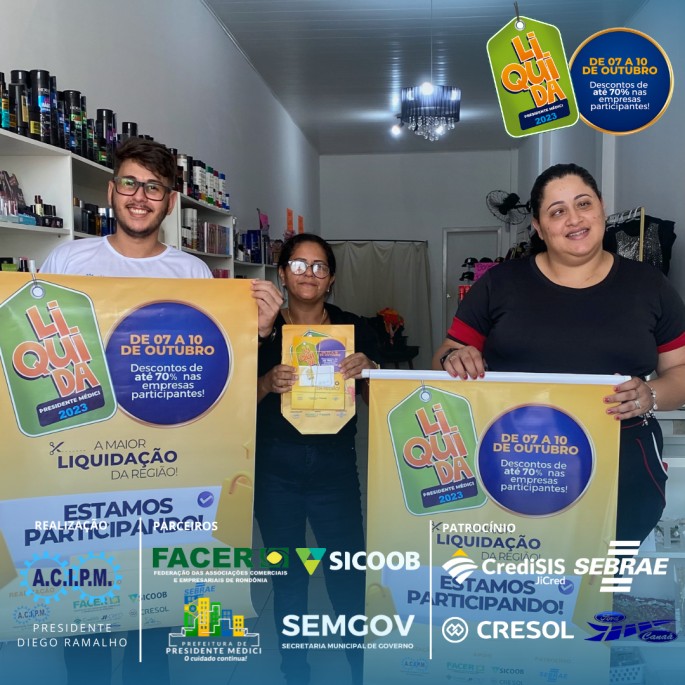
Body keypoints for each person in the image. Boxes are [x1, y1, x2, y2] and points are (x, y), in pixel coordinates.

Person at [40, 138, 283, 685]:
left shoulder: (192, 272)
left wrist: (260, 332)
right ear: (111, 191)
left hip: (163, 469)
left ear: (171, 201)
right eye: (130, 183)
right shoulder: (68, 260)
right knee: (85, 618)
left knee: (151, 618)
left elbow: (215, 369)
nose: (140, 197)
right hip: (84, 466)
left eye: (154, 188)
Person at [433, 163, 685, 544]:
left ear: (601, 206)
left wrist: (650, 394)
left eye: (583, 203)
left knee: (603, 575)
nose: (574, 219)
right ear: (538, 226)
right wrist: (453, 358)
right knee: (520, 570)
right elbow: (446, 353)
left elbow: (679, 370)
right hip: (514, 466)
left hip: (621, 469)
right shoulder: (501, 284)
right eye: (557, 211)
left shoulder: (650, 286)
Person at [255, 233, 380, 685]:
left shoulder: (354, 328)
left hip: (335, 469)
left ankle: (360, 668)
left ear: (331, 279)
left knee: (346, 572)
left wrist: (371, 372)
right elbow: (229, 403)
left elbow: (381, 402)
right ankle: (296, 672)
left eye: (319, 266)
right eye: (298, 265)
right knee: (287, 575)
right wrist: (267, 382)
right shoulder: (259, 330)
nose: (308, 274)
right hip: (274, 469)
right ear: (282, 273)